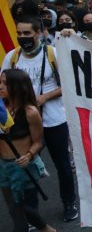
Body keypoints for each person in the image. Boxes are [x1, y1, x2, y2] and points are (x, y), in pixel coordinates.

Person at [1, 16, 78, 222]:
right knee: (25, 166)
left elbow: (70, 84)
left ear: (38, 33)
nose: (22, 37)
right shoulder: (12, 57)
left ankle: (69, 202)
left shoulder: (52, 54)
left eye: (27, 33)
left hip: (53, 119)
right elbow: (3, 88)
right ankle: (32, 215)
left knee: (61, 162)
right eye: (19, 33)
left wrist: (46, 97)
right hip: (23, 122)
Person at [0, 69, 56, 232]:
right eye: (0, 82)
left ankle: (47, 229)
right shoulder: (1, 108)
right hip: (3, 167)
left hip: (22, 167)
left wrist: (29, 155)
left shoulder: (30, 112)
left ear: (17, 86)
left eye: (5, 83)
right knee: (14, 208)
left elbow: (38, 141)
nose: (0, 86)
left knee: (21, 208)